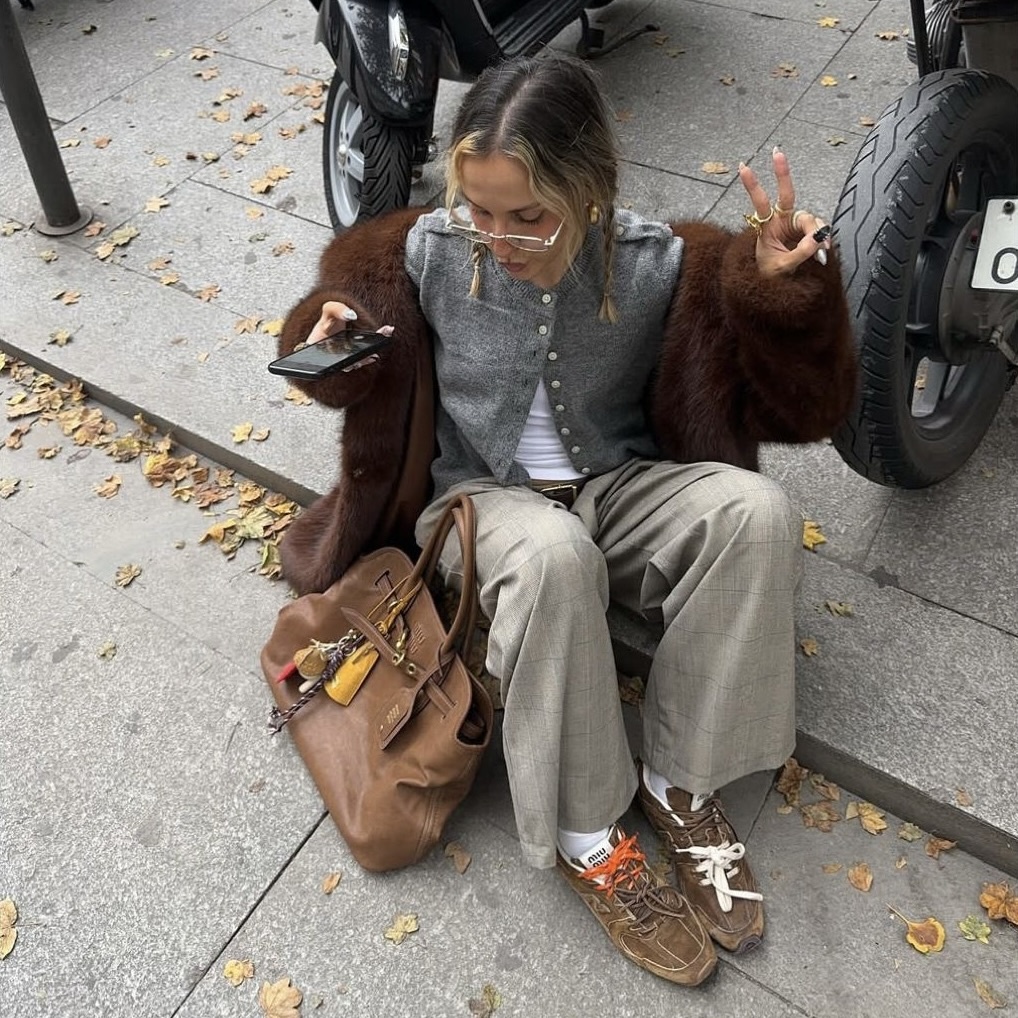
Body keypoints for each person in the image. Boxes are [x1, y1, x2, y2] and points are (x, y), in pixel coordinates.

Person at [274, 53, 855, 987]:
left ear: (590, 190)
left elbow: (809, 412)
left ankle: (680, 783)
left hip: (616, 484)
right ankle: (591, 833)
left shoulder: (661, 263)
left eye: (528, 216)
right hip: (478, 501)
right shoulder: (424, 254)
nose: (499, 238)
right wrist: (333, 337)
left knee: (757, 513)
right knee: (552, 554)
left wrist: (784, 295)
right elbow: (348, 356)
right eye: (479, 209)